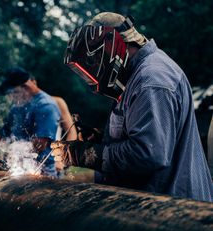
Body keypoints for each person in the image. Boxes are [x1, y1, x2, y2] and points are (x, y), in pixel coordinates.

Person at [51, 12, 213, 202]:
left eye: (94, 63)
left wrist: (85, 154)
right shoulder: (133, 76)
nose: (93, 74)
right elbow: (141, 136)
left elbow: (148, 154)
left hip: (174, 210)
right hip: (155, 205)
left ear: (114, 47)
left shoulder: (152, 80)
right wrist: (100, 138)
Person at [0, 67, 61, 177]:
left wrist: (10, 150)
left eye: (13, 92)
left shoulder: (46, 106)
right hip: (18, 166)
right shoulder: (17, 106)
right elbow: (2, 134)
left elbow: (40, 144)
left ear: (25, 87)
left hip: (40, 169)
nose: (11, 97)